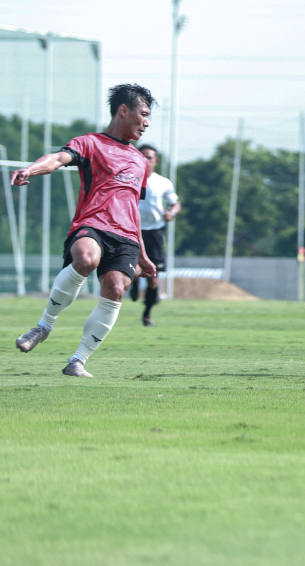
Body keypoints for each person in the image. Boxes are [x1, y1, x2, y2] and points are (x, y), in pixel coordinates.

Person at [11, 84, 158, 378]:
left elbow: (132, 209)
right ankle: (43, 326)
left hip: (127, 237)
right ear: (123, 110)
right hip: (93, 225)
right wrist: (30, 169)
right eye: (143, 114)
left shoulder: (141, 162)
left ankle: (77, 360)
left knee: (116, 289)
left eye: (149, 116)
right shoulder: (89, 143)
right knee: (86, 259)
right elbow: (57, 159)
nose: (147, 122)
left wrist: (142, 254)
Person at [129, 144, 181, 327]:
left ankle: (147, 314)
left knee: (153, 277)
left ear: (155, 161)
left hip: (155, 233)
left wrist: (171, 213)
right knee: (133, 271)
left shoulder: (163, 182)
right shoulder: (129, 178)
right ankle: (134, 281)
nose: (145, 160)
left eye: (149, 157)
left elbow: (175, 203)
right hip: (132, 230)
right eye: (142, 156)